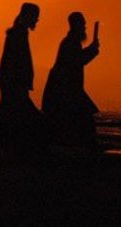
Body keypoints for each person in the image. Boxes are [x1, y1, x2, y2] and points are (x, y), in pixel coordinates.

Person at [0, 2, 46, 159]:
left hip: (11, 82)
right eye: (35, 17)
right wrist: (20, 82)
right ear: (28, 16)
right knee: (28, 116)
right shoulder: (18, 34)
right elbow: (17, 61)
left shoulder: (18, 32)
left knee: (5, 115)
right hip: (14, 83)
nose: (37, 20)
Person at [42, 12, 100, 150]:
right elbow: (77, 61)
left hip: (65, 90)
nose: (85, 28)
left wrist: (91, 50)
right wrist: (92, 50)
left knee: (71, 122)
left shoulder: (70, 42)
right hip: (65, 91)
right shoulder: (71, 43)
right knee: (83, 120)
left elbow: (77, 60)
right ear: (77, 25)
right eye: (83, 25)